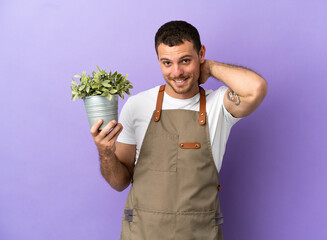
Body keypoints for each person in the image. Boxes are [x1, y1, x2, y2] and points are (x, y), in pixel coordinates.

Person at [90, 20, 267, 239]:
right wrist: (105, 153)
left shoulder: (219, 105)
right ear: (158, 61)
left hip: (199, 234)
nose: (177, 72)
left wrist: (210, 67)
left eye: (185, 60)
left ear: (200, 53)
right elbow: (119, 183)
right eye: (167, 63)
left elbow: (256, 88)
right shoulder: (137, 106)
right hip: (143, 233)